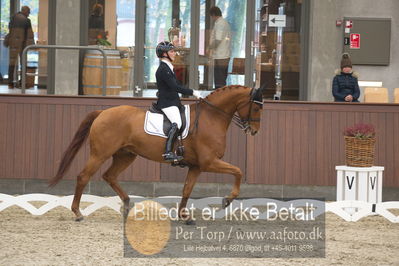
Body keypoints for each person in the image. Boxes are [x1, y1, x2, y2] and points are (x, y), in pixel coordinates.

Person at [155, 41, 201, 162]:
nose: (175, 53)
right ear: (164, 54)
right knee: (177, 123)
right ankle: (168, 152)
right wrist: (192, 92)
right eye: (172, 51)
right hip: (167, 102)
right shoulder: (163, 69)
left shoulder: (169, 67)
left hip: (173, 101)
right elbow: (174, 87)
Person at [7, 6, 35, 88]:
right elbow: (30, 34)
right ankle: (22, 82)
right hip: (22, 44)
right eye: (28, 12)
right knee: (23, 63)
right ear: (25, 11)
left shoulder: (13, 17)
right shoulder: (27, 20)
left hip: (13, 43)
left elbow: (10, 29)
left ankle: (10, 83)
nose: (29, 14)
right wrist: (32, 45)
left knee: (12, 63)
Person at [208, 6, 231, 89]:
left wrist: (210, 47)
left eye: (211, 16)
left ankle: (219, 98)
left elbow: (218, 39)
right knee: (221, 79)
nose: (211, 18)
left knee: (219, 80)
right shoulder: (223, 22)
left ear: (213, 14)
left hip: (221, 56)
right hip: (223, 55)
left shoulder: (220, 23)